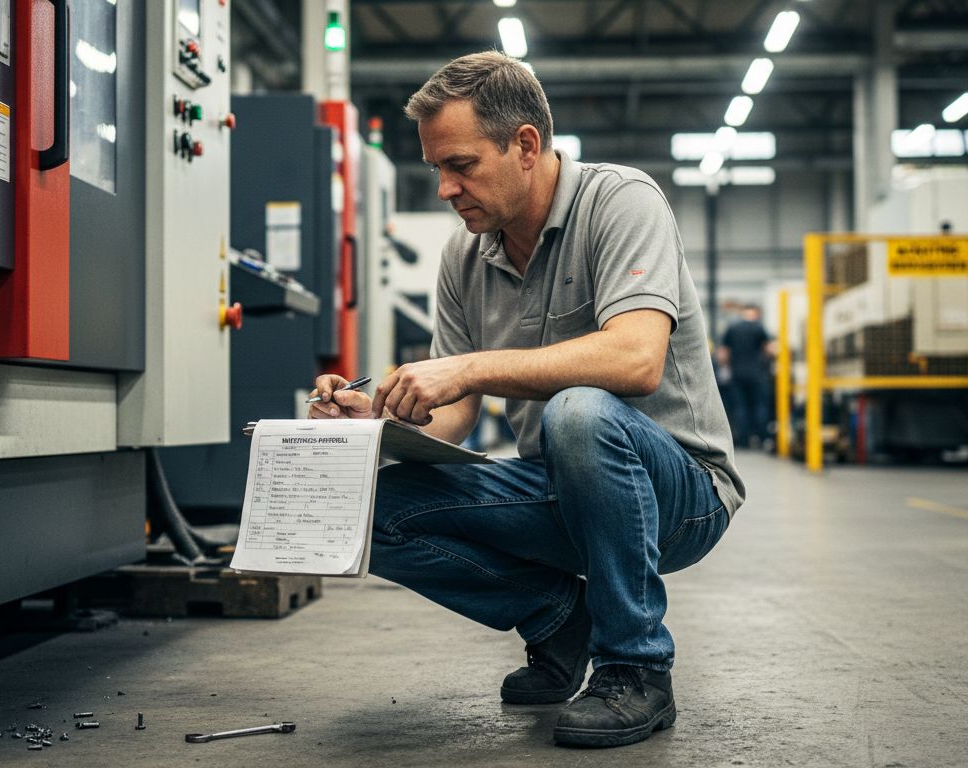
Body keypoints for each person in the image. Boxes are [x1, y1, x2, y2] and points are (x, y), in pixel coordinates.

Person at [309, 51, 744, 749]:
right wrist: (377, 416)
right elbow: (455, 413)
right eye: (437, 170)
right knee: (363, 507)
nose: (446, 188)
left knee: (580, 409)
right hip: (562, 485)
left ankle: (635, 667)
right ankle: (555, 618)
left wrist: (468, 367)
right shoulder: (466, 257)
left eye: (462, 165)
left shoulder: (620, 202)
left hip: (681, 494)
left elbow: (635, 359)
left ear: (526, 145)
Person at [717, 304, 773, 448]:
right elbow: (769, 350)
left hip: (737, 374)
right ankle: (761, 438)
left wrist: (728, 367)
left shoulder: (732, 328)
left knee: (739, 406)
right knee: (760, 405)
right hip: (757, 374)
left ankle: (743, 440)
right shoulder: (759, 328)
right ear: (755, 313)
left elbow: (723, 354)